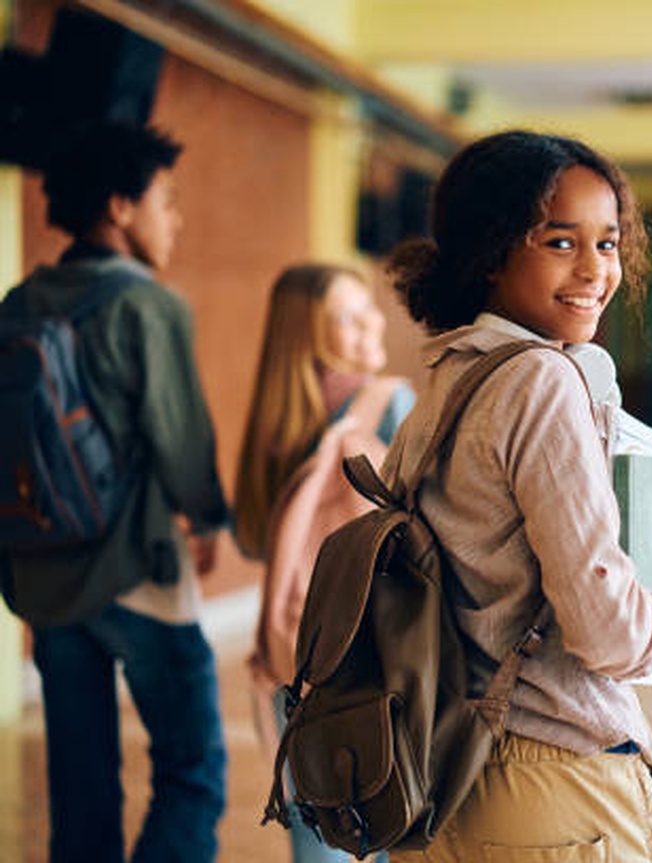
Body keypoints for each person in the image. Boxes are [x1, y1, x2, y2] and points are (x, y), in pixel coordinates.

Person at [379, 129, 652, 862]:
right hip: (554, 784)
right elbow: (609, 634)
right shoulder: (543, 381)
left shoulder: (448, 379)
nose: (595, 270)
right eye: (561, 242)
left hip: (443, 773)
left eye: (609, 244)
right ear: (492, 251)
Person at [0, 122, 229, 861]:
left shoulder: (20, 302)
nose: (176, 218)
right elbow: (180, 436)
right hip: (138, 569)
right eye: (165, 199)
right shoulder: (149, 305)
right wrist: (210, 519)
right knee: (192, 771)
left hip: (42, 570)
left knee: (81, 779)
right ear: (119, 207)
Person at [233, 262, 414, 863]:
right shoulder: (388, 404)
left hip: (297, 661)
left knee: (318, 838)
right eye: (347, 314)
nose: (370, 322)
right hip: (373, 662)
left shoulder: (274, 425)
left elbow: (255, 540)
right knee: (387, 825)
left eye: (368, 307)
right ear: (307, 332)